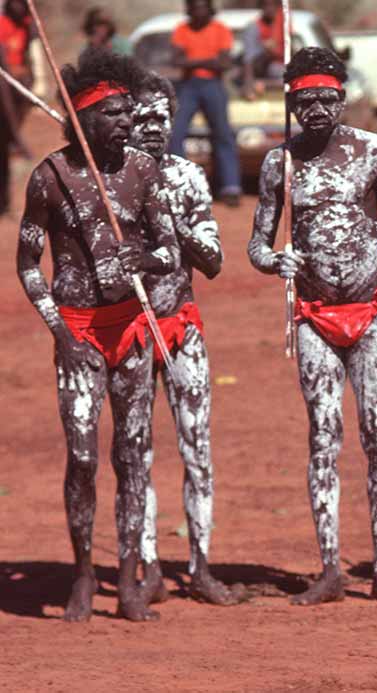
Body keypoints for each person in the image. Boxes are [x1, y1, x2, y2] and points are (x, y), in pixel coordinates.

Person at [248, 47, 377, 605]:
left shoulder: (373, 151)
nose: (318, 108)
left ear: (344, 99)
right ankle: (329, 568)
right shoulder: (280, 164)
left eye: (327, 98)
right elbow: (255, 243)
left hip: (372, 316)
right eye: (306, 100)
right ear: (292, 104)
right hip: (313, 320)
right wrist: (275, 260)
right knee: (324, 438)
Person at [15, 49, 179, 622]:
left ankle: (130, 578)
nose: (126, 123)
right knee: (83, 457)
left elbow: (171, 248)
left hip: (131, 331)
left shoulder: (143, 172)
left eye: (128, 113)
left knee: (132, 456)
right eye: (112, 114)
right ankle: (83, 572)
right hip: (78, 335)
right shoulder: (50, 178)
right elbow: (29, 264)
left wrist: (148, 257)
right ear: (83, 120)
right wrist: (58, 329)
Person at [129, 71, 235, 606]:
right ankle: (148, 564)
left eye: (160, 118)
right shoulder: (111, 183)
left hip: (182, 327)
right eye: (140, 118)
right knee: (137, 451)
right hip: (129, 334)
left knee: (198, 450)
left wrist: (170, 220)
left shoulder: (189, 179)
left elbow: (214, 262)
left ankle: (201, 564)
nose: (151, 128)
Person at [168, 0, 242, 206]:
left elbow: (225, 63)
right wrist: (208, 61)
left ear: (209, 9)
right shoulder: (182, 29)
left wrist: (192, 61)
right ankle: (179, 183)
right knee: (175, 133)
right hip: (188, 86)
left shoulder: (220, 29)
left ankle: (230, 186)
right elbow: (175, 60)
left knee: (223, 134)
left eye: (202, 7)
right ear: (189, 9)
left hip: (213, 85)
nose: (199, 11)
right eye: (195, 7)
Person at [0, 0, 33, 214]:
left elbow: (31, 50)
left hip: (18, 85)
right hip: (5, 81)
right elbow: (3, 63)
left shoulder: (26, 24)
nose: (20, 8)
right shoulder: (3, 24)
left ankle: (5, 203)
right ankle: (15, 138)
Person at [241, 0, 283, 100]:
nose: (269, 9)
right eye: (266, 5)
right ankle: (257, 84)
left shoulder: (283, 25)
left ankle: (264, 84)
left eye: (273, 5)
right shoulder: (254, 27)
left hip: (280, 71)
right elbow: (249, 59)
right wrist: (249, 84)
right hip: (263, 68)